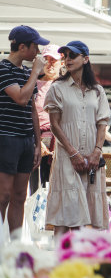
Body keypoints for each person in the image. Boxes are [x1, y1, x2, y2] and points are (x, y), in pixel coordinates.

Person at [44, 41, 109, 236]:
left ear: (85, 59)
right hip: (66, 155)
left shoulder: (97, 90)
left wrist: (97, 152)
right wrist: (73, 153)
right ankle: (60, 260)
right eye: (65, 56)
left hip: (92, 156)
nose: (68, 59)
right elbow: (55, 124)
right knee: (66, 211)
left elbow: (102, 123)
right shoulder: (57, 88)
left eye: (73, 55)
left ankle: (80, 260)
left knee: (85, 209)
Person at [0, 25, 48, 233]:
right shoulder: (3, 69)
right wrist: (36, 72)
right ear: (22, 47)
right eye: (35, 46)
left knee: (20, 195)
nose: (38, 51)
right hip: (7, 138)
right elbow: (21, 98)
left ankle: (15, 245)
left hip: (26, 140)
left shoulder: (28, 72)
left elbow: (32, 110)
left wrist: (37, 144)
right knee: (3, 195)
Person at [29, 44, 63, 194]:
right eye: (46, 60)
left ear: (61, 62)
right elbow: (28, 114)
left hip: (60, 142)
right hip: (37, 140)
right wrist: (37, 142)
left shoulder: (66, 85)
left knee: (56, 188)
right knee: (36, 188)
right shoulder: (33, 84)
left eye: (53, 60)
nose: (49, 64)